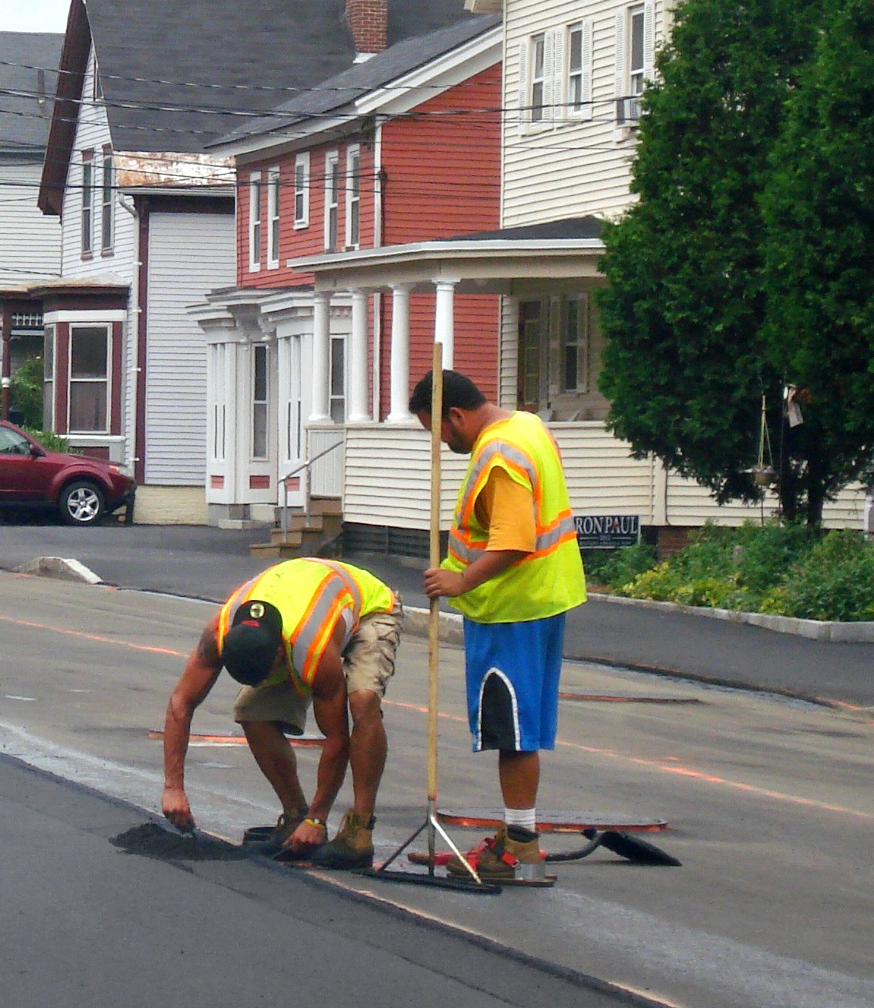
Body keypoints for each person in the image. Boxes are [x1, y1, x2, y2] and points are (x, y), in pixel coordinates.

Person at [413, 369, 585, 887]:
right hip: (543, 598)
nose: (440, 444)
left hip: (512, 607)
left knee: (512, 730)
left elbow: (514, 539)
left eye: (437, 431)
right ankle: (517, 836)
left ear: (456, 415)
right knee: (521, 727)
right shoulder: (527, 426)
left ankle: (520, 844)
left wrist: (460, 579)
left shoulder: (499, 454)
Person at [161, 556, 402, 870]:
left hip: (369, 607)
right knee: (252, 711)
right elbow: (181, 703)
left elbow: (336, 738)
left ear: (279, 652)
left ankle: (359, 830)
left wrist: (318, 819)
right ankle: (294, 817)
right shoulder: (218, 633)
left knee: (362, 701)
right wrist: (173, 788)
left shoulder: (312, 647)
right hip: (297, 598)